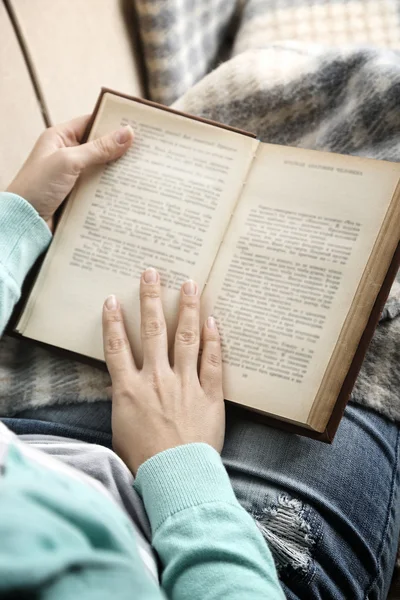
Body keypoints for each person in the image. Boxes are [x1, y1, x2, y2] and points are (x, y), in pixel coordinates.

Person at [0, 116, 399, 600]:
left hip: (38, 449)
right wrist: (178, 464)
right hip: (210, 549)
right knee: (368, 352)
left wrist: (16, 221)